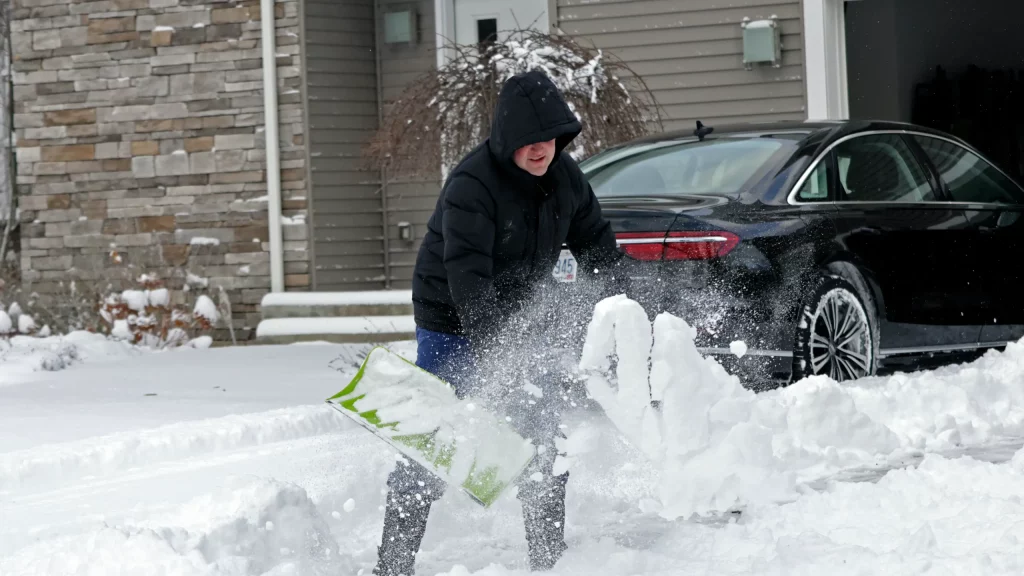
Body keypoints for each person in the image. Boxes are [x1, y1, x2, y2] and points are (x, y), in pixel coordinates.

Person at [373, 70, 627, 576]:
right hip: (450, 314)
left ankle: (548, 563)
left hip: (516, 313)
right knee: (435, 435)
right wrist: (500, 357)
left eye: (549, 139)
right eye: (529, 141)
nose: (540, 150)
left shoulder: (565, 178)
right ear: (508, 138)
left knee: (539, 437)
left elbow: (598, 246)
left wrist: (627, 307)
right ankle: (393, 564)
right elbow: (467, 277)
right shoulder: (472, 185)